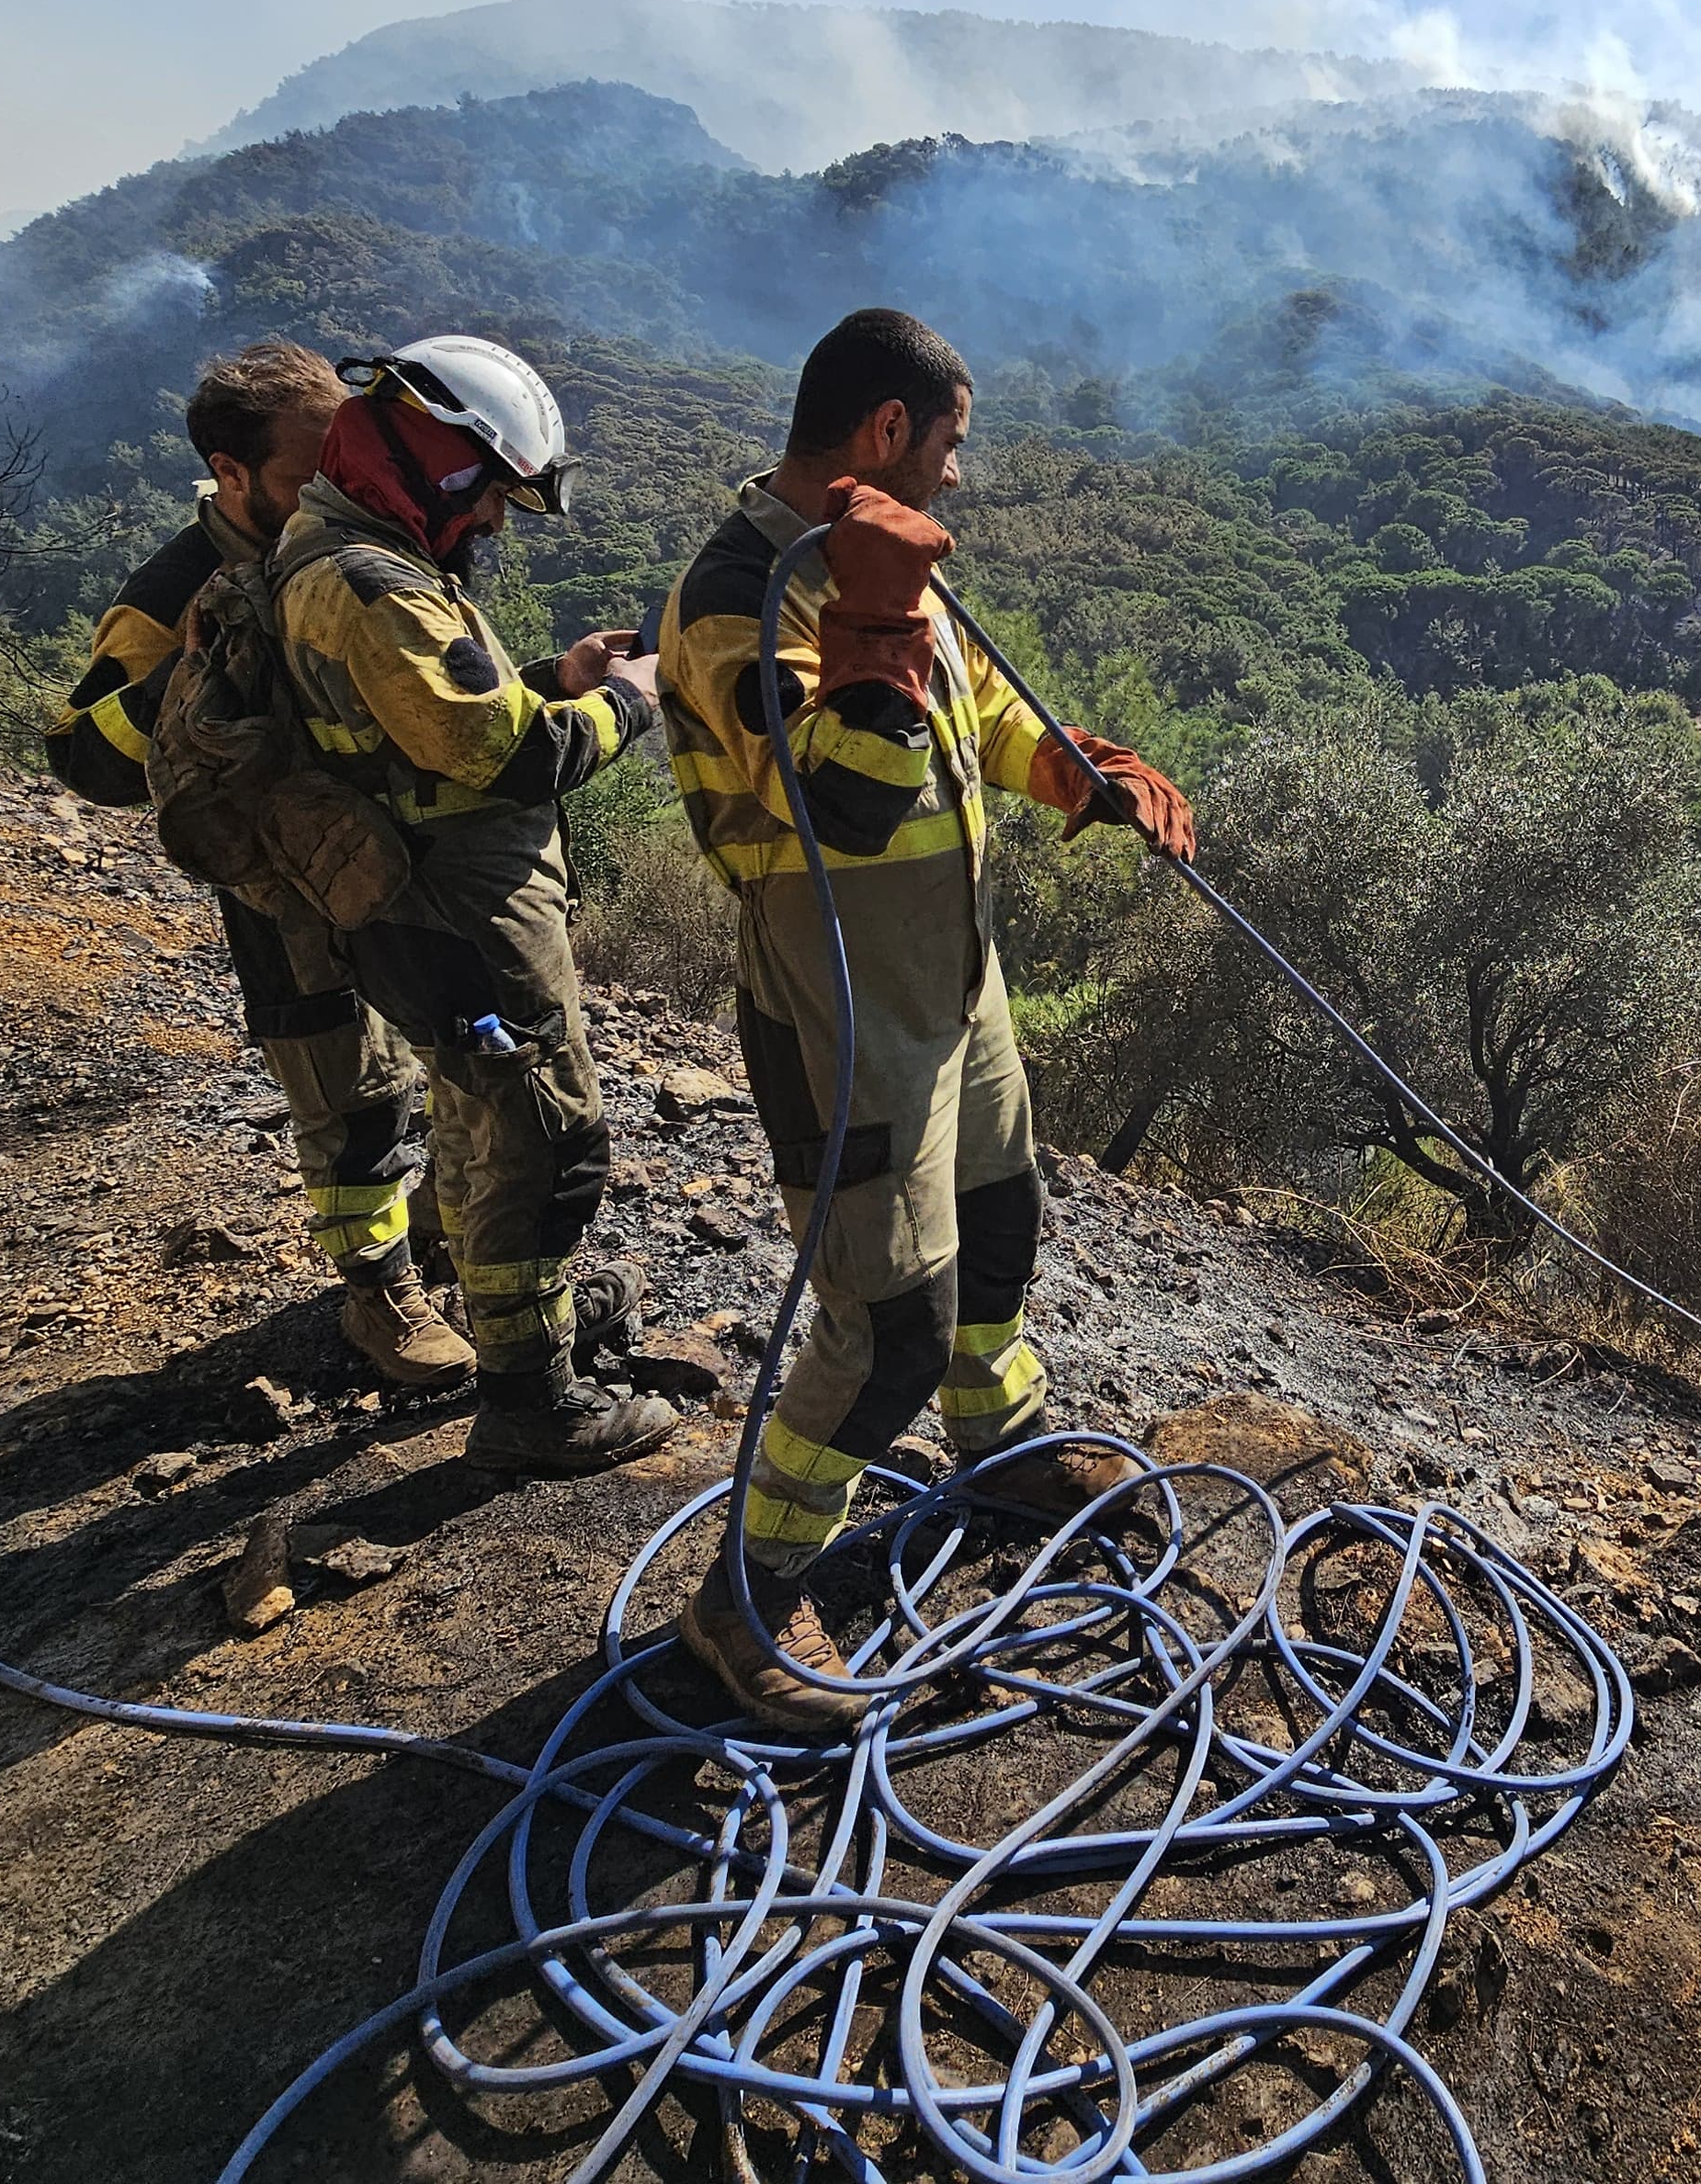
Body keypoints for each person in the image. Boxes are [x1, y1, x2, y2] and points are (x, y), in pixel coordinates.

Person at [659, 307, 1195, 1729]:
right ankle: (751, 1593)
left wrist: (1079, 774)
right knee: (887, 1321)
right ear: (889, 432)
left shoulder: (880, 561)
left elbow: (970, 721)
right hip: (841, 1010)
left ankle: (1000, 1443)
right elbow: (842, 793)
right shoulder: (741, 596)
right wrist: (876, 618)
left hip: (955, 982)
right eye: (951, 444)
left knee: (1004, 1217)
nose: (960, 476)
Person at [271, 334, 683, 1475]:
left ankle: (517, 1320)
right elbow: (496, 756)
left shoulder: (343, 551)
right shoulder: (372, 583)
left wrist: (557, 676)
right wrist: (630, 704)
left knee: (477, 1112)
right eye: (494, 494)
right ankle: (529, 1400)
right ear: (442, 461)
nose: (497, 523)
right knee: (548, 1139)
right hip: (461, 901)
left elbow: (429, 721)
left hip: (418, 896)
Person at [47, 343, 466, 1390]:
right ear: (231, 474)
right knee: (347, 1090)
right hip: (284, 892)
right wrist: (198, 670)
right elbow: (81, 752)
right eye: (302, 475)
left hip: (401, 862)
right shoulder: (174, 592)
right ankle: (381, 1296)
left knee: (470, 1054)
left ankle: (450, 1234)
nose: (329, 489)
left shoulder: (357, 537)